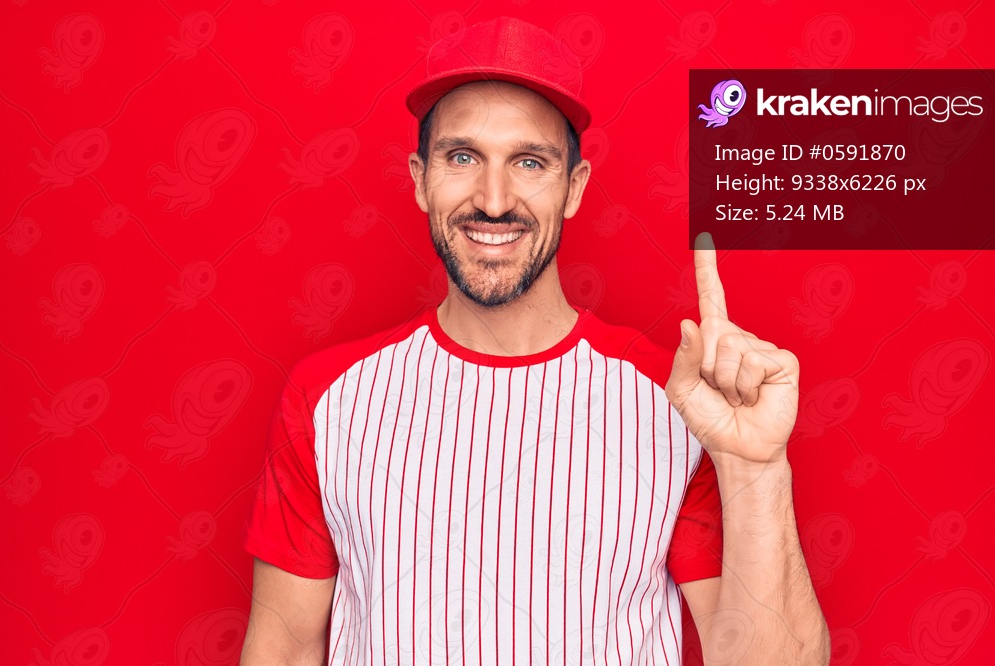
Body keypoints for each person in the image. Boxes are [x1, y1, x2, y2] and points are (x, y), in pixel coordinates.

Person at [241, 16, 829, 666]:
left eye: (529, 162)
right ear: (419, 178)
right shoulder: (328, 398)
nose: (494, 200)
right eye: (463, 157)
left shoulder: (676, 402)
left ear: (573, 188)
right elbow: (285, 649)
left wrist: (757, 469)